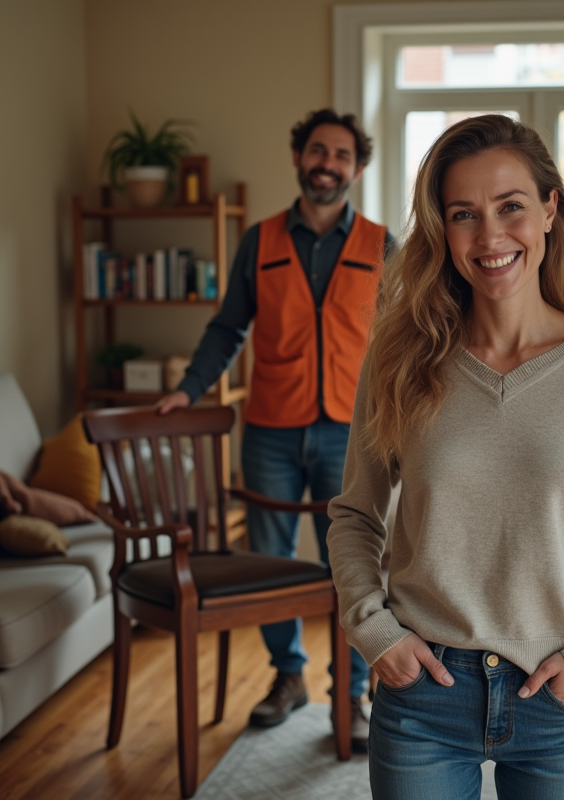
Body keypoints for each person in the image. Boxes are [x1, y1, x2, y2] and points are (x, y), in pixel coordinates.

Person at [326, 114, 564, 798]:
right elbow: (356, 514)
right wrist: (373, 631)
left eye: (510, 207)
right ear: (441, 231)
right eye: (463, 214)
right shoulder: (398, 359)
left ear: (549, 211)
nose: (490, 236)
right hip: (423, 695)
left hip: (557, 696)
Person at [157, 108, 392, 752]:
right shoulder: (258, 241)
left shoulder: (381, 244)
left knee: (355, 565)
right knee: (267, 563)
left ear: (357, 167)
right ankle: (289, 678)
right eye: (318, 151)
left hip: (353, 431)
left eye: (341, 155)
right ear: (298, 158)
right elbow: (228, 327)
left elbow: (408, 333)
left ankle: (353, 696)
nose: (328, 163)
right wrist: (187, 389)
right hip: (270, 431)